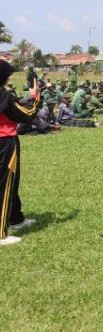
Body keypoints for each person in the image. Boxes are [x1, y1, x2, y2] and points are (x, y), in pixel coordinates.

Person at [0, 60, 40, 246]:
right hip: (4, 142)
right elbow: (27, 114)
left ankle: (16, 218)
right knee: (4, 184)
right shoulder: (3, 96)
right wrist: (35, 97)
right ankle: (1, 233)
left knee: (11, 181)